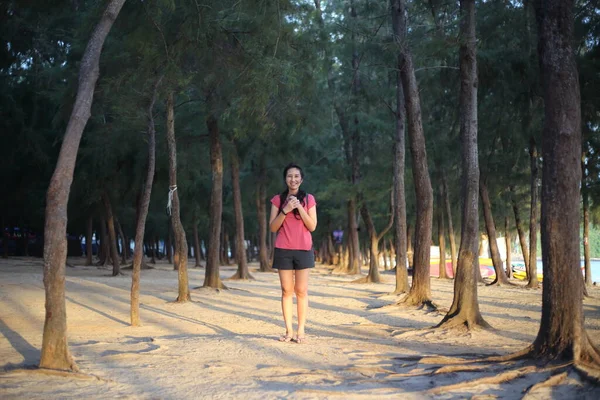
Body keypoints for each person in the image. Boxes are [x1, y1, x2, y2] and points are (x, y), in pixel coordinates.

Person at [269, 163, 317, 344]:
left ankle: (301, 331)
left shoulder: (309, 199)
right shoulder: (278, 199)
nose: (293, 179)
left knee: (302, 291)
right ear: (285, 179)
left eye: (297, 176)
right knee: (286, 291)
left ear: (301, 179)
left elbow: (312, 226)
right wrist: (285, 210)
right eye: (290, 176)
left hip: (304, 249)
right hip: (283, 249)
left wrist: (299, 208)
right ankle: (289, 331)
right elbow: (273, 227)